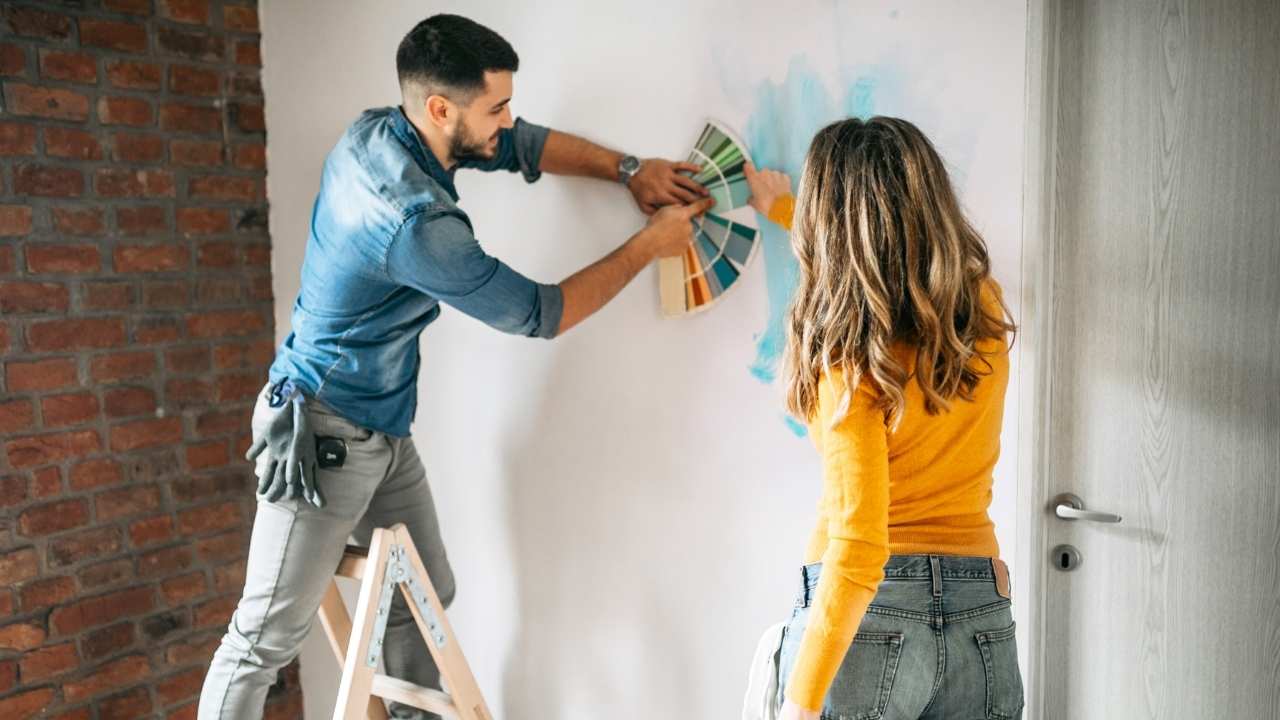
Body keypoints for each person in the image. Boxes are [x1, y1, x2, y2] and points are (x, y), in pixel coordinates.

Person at [197, 14, 712, 720]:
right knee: (260, 639)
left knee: (423, 593)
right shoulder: (415, 223)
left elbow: (521, 146)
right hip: (321, 435)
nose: (507, 120)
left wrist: (629, 170)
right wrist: (649, 245)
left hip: (379, 424)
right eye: (495, 107)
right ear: (441, 108)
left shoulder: (386, 131)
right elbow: (541, 313)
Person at [743, 116, 1024, 720]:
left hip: (866, 623)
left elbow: (860, 543)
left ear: (828, 223)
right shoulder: (981, 308)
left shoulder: (847, 358)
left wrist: (800, 702)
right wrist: (783, 207)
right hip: (981, 615)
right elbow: (892, 261)